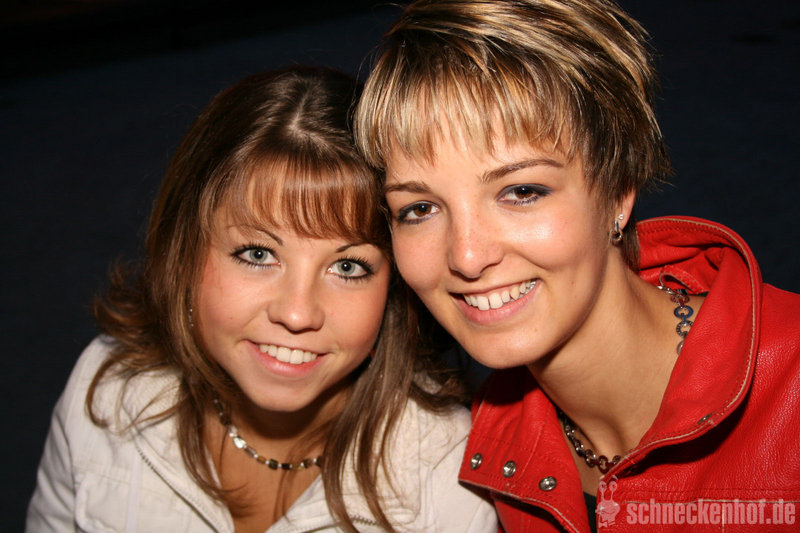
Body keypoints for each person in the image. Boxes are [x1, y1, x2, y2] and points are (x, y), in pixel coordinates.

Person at [353, 1, 800, 531]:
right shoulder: (495, 447)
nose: (467, 257)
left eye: (521, 191)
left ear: (618, 192)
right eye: (420, 209)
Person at [26, 66, 498, 533]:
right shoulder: (108, 387)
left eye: (347, 267)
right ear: (184, 251)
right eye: (257, 254)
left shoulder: (448, 477)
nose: (297, 313)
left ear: (392, 287)